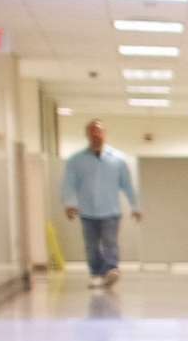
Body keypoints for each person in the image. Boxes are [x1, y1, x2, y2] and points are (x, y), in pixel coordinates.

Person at [60, 120, 141, 288]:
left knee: (110, 242)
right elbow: (69, 183)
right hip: (87, 211)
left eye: (99, 131)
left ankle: (111, 269)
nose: (96, 135)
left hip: (110, 210)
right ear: (87, 135)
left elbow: (127, 184)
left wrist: (135, 206)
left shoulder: (118, 159)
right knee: (91, 246)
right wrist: (69, 204)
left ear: (104, 134)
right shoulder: (76, 160)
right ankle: (96, 273)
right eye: (92, 132)